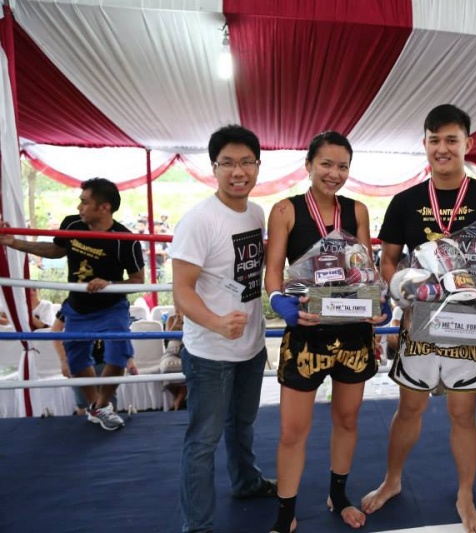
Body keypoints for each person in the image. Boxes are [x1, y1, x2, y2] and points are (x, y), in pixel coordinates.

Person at [362, 104, 476, 533]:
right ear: (425, 144)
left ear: (468, 144)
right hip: (421, 320)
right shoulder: (406, 201)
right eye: (435, 140)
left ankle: (465, 496)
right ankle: (392, 480)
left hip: (471, 322)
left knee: (463, 414)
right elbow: (388, 261)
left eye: (452, 140)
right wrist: (405, 289)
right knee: (409, 408)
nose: (443, 148)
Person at [266, 130, 388, 533]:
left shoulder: (357, 210)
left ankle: (339, 495)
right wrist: (279, 302)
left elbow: (365, 271)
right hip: (307, 330)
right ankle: (285, 513)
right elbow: (273, 273)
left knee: (348, 419)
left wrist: (379, 303)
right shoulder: (285, 210)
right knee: (292, 431)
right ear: (308, 165)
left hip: (353, 330)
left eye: (342, 166)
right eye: (326, 164)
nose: (334, 173)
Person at [171, 125, 277, 533]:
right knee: (203, 441)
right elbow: (181, 291)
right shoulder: (198, 221)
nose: (238, 172)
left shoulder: (256, 213)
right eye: (228, 163)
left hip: (251, 346)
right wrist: (216, 322)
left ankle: (246, 481)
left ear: (257, 166)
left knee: (242, 424)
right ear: (213, 168)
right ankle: (196, 526)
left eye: (246, 162)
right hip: (209, 353)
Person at [1, 178, 144, 431]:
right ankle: (97, 408)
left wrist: (109, 282)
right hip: (77, 307)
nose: (79, 207)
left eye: (85, 202)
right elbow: (56, 250)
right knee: (76, 361)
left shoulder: (125, 240)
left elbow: (137, 281)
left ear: (104, 207)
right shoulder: (72, 224)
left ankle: (102, 405)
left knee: (119, 353)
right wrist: (15, 243)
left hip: (111, 307)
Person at [159, 307, 187, 411]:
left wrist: (184, 320)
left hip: (187, 349)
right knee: (165, 368)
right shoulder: (171, 318)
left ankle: (179, 399)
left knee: (190, 367)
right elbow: (168, 336)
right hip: (172, 350)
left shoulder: (192, 317)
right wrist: (176, 322)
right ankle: (179, 397)